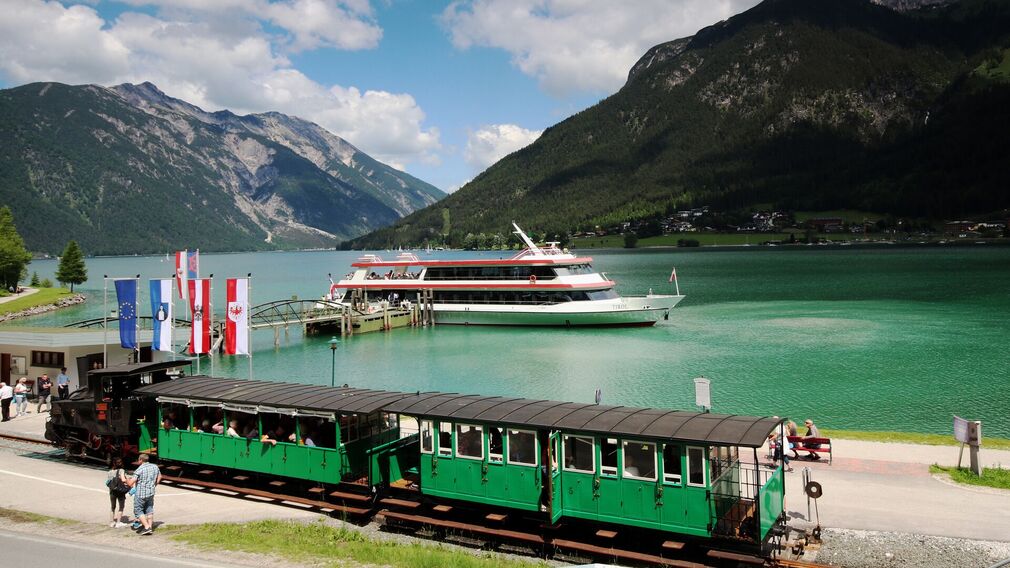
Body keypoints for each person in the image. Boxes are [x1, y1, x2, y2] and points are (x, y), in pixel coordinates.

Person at [130, 453, 162, 535]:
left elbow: (131, 483)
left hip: (141, 494)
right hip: (151, 493)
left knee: (138, 510)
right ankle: (150, 527)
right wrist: (154, 485)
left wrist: (126, 480)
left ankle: (147, 527)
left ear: (140, 460)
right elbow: (160, 477)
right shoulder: (155, 466)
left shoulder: (139, 470)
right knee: (149, 509)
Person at [107, 457, 130, 527]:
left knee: (112, 507)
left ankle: (111, 522)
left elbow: (108, 482)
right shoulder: (121, 470)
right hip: (120, 491)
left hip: (112, 491)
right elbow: (123, 480)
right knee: (121, 506)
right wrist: (128, 480)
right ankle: (118, 522)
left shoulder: (110, 471)